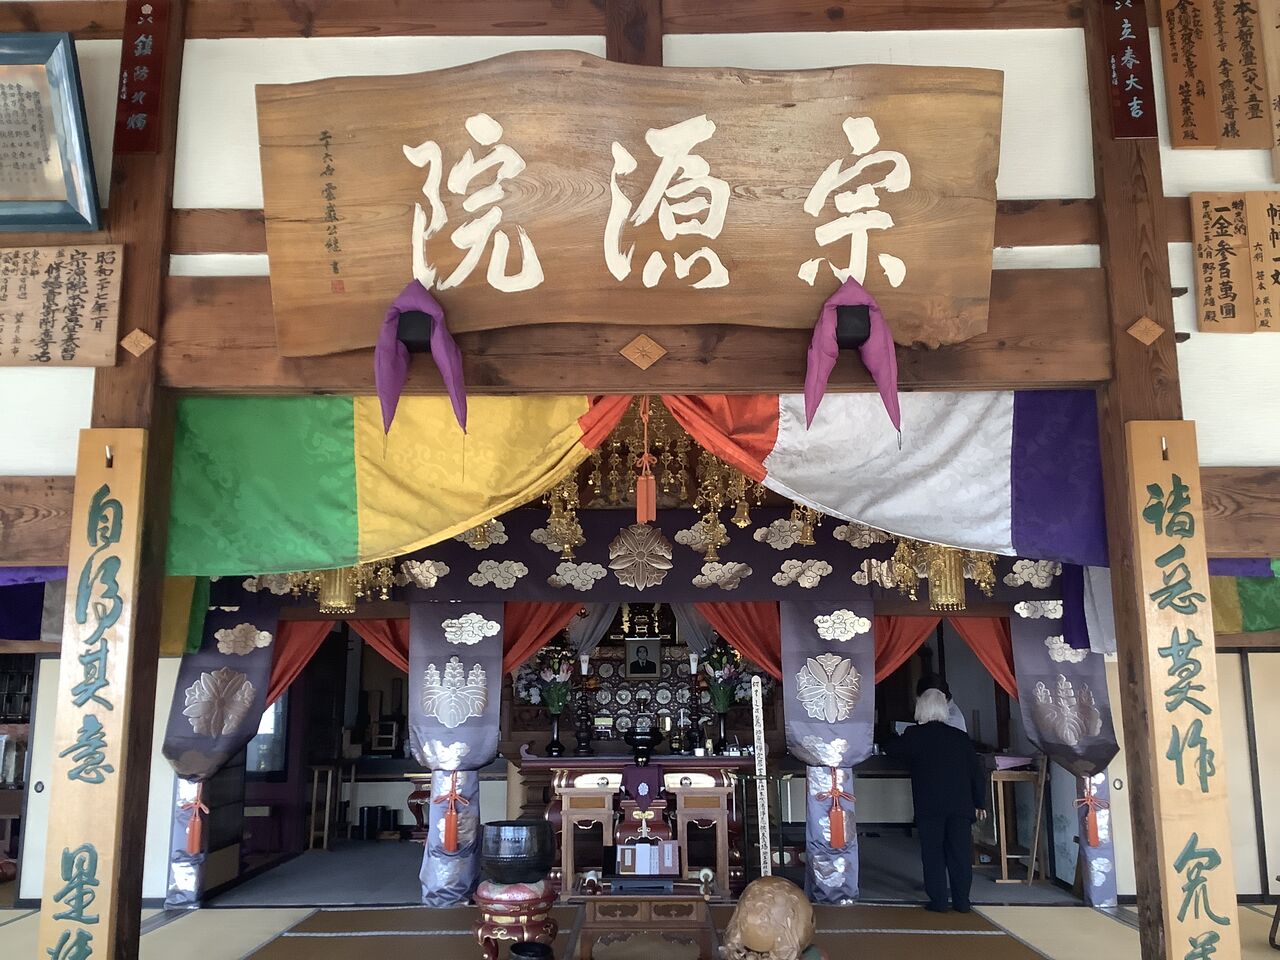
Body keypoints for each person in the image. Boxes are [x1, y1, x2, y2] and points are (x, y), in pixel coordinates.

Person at [886, 688, 987, 913]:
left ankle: (939, 900)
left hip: (930, 805)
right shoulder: (960, 737)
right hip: (960, 804)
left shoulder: (914, 735)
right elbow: (976, 772)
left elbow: (892, 750)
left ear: (920, 708)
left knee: (933, 853)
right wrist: (979, 802)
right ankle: (962, 901)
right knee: (960, 854)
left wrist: (890, 735)